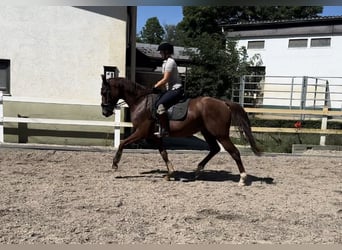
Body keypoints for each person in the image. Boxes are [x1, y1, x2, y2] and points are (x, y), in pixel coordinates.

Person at [153, 42, 184, 137]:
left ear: (166, 52)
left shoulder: (170, 62)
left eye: (161, 52)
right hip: (170, 89)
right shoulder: (165, 62)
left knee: (159, 105)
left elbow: (165, 79)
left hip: (176, 89)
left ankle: (165, 130)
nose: (160, 54)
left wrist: (155, 86)